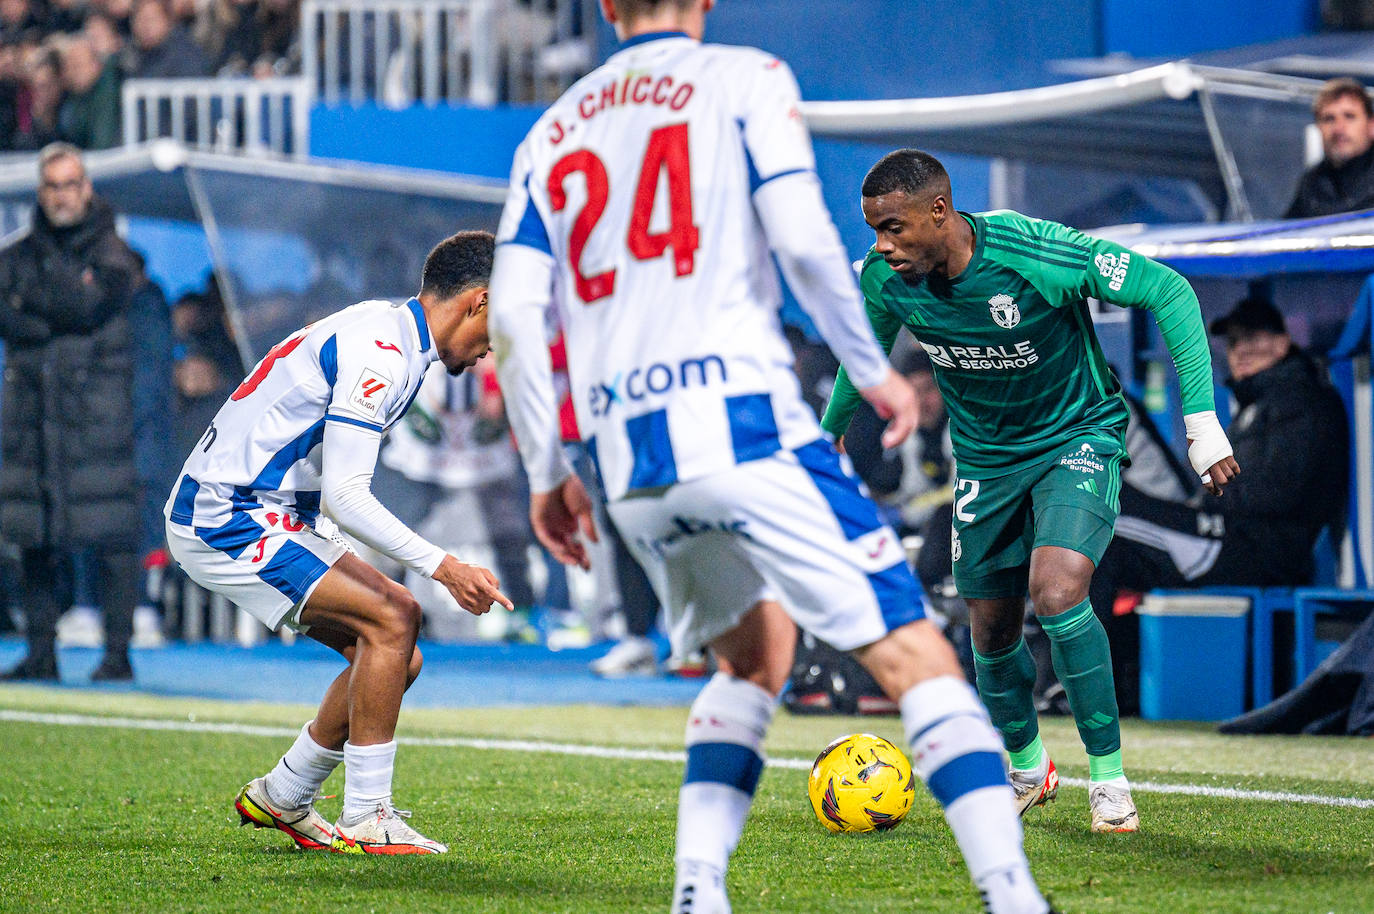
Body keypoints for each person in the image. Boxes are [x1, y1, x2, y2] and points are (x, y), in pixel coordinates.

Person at [489, 4, 1053, 913]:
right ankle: (1015, 896)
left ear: (604, 9)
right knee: (919, 658)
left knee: (755, 658)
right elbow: (798, 239)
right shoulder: (745, 78)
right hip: (741, 423)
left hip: (628, 459)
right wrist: (872, 374)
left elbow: (515, 315)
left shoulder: (551, 131)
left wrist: (545, 469)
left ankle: (696, 892)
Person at [823, 148, 1240, 835]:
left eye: (894, 228)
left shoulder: (1031, 251)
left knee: (1057, 593)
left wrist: (1202, 423)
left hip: (1076, 436)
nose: (883, 246)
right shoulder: (883, 281)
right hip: (985, 460)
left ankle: (1108, 780)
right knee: (988, 626)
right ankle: (1027, 766)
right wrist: (827, 438)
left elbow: (1167, 288)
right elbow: (860, 362)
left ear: (939, 210)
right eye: (874, 231)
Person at [166, 231, 512, 855]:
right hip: (227, 513)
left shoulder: (393, 331)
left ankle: (284, 792)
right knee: (395, 617)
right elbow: (345, 497)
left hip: (272, 509)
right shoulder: (384, 352)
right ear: (478, 302)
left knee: (398, 653)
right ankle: (366, 816)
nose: (493, 349)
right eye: (499, 327)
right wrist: (445, 566)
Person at [1090, 295, 1348, 671]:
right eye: (1234, 342)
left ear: (1282, 342)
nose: (1241, 350)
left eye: (1253, 339)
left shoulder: (1302, 401)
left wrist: (1210, 496)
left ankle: (1076, 683)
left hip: (1259, 549)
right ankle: (1089, 681)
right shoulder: (1265, 398)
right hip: (1237, 536)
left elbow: (1273, 493)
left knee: (1104, 521)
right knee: (1098, 518)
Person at [0, 142, 142, 682]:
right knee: (35, 539)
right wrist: (54, 307)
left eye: (70, 184)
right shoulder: (16, 256)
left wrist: (32, 304)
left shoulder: (114, 256)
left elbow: (83, 308)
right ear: (41, 191)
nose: (61, 195)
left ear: (87, 188)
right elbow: (14, 317)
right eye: (52, 185)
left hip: (96, 422)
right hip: (33, 419)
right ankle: (41, 653)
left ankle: (117, 653)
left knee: (113, 540)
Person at [1285, 77, 1374, 219]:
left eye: (1349, 116)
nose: (1339, 128)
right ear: (1318, 128)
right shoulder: (1312, 185)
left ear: (1371, 125)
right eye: (1329, 119)